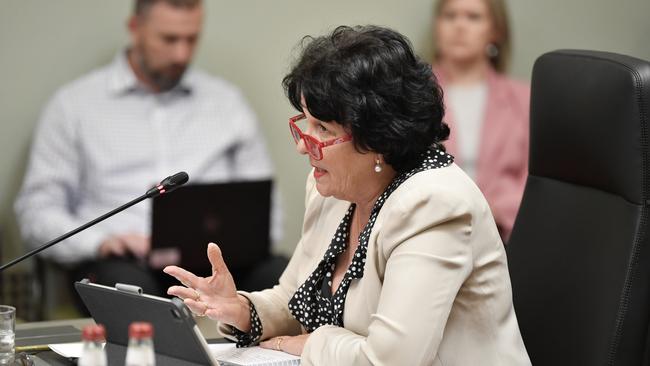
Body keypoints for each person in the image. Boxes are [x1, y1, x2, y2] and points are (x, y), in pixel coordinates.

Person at [165, 25, 531, 365]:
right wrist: (240, 309)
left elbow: (389, 360)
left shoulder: (434, 204)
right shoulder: (335, 189)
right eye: (305, 121)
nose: (304, 146)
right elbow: (295, 298)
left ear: (377, 139)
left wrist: (306, 345)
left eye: (322, 128)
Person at [14, 0, 285, 298]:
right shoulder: (73, 107)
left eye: (191, 39)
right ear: (135, 28)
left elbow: (266, 210)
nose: (181, 54)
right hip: (122, 264)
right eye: (169, 39)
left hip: (217, 264)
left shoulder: (228, 103)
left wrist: (233, 243)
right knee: (128, 292)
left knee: (288, 280)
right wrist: (102, 242)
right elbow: (37, 212)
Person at [432, 0, 530, 242]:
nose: (459, 26)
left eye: (473, 17)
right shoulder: (410, 96)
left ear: (496, 31)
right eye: (450, 16)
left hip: (504, 237)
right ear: (437, 26)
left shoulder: (524, 100)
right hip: (431, 230)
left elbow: (536, 182)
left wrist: (491, 209)